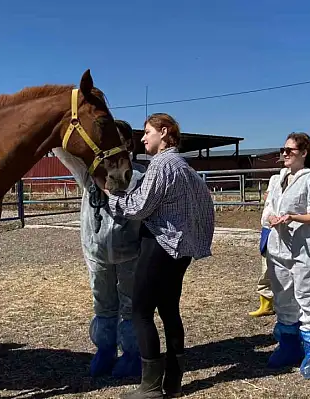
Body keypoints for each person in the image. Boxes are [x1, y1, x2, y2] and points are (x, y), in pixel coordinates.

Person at [105, 113, 215, 399]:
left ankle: (150, 385)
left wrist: (113, 196)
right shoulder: (186, 168)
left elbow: (140, 208)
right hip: (181, 249)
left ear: (164, 132)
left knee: (141, 312)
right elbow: (205, 209)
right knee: (169, 311)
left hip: (160, 245)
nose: (143, 138)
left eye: (147, 132)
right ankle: (173, 382)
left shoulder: (162, 165)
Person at [52, 120, 144, 379]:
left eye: (119, 138)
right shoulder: (89, 175)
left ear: (127, 144)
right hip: (97, 252)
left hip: (130, 252)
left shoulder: (137, 176)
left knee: (130, 303)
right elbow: (63, 152)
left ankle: (132, 353)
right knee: (102, 302)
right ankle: (105, 349)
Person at [261, 132, 310, 380]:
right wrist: (272, 218)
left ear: (303, 153)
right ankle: (289, 346)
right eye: (283, 150)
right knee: (283, 295)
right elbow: (269, 209)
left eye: (290, 150)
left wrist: (293, 216)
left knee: (309, 294)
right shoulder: (276, 180)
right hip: (279, 246)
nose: (284, 154)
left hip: (306, 248)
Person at [249, 191, 275, 317]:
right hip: (268, 229)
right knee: (266, 268)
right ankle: (266, 304)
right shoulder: (276, 178)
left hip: (281, 228)